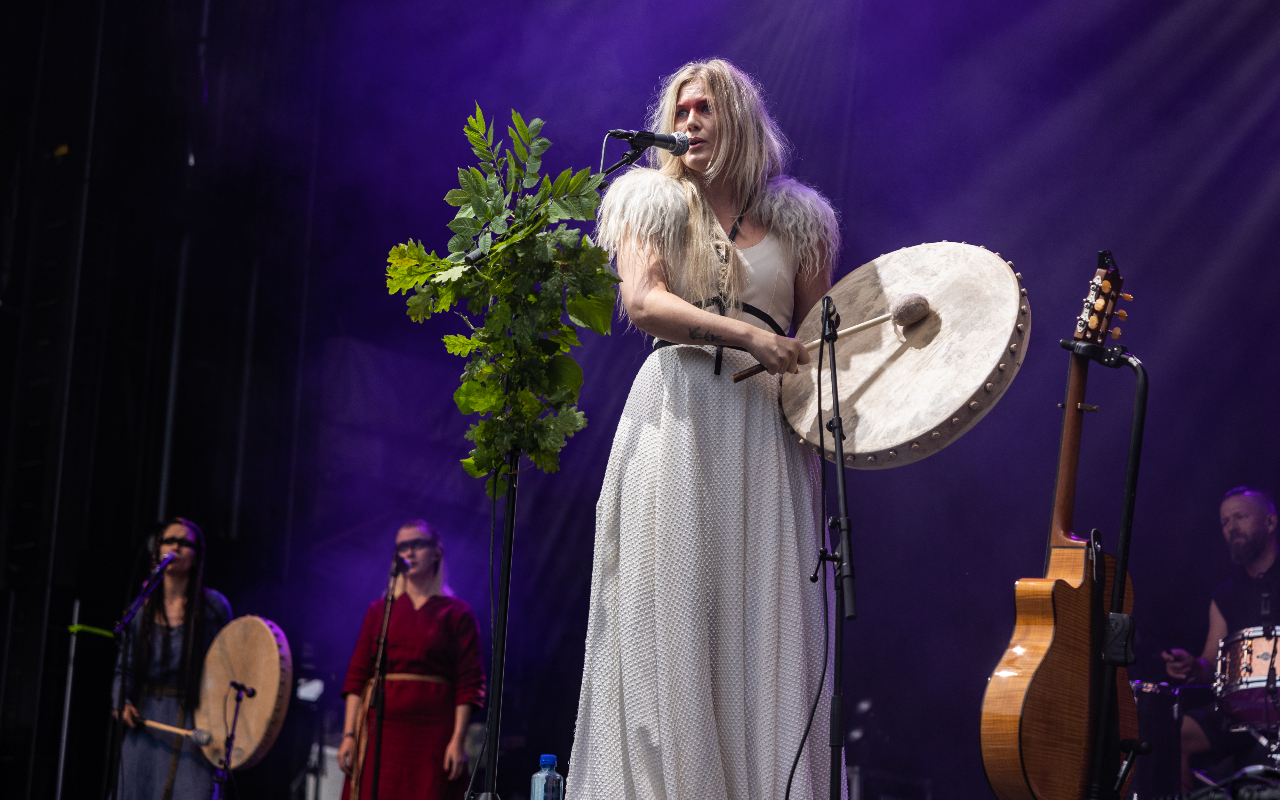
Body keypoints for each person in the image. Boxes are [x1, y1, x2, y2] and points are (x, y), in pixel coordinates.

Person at [569, 59, 841, 799]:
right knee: (672, 611)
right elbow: (646, 303)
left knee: (761, 620)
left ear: (740, 121)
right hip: (680, 408)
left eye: (704, 110)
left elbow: (824, 339)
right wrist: (749, 336)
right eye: (680, 110)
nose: (687, 122)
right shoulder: (650, 200)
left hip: (767, 432)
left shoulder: (801, 222)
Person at [339, 520, 485, 800]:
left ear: (436, 552)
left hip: (433, 732)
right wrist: (349, 736)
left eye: (417, 544)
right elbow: (357, 676)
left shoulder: (457, 613)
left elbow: (470, 681)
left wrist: (458, 739)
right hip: (380, 730)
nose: (409, 552)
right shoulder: (380, 611)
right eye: (402, 547)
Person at [1164, 486, 1280, 793]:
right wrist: (1192, 666)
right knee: (1172, 734)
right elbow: (1210, 664)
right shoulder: (1225, 596)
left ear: (1270, 523)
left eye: (1240, 517)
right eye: (1225, 522)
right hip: (1242, 708)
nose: (1231, 528)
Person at [113, 518, 232, 800]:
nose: (176, 547)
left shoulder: (213, 607)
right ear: (157, 551)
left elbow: (228, 667)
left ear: (197, 556)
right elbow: (123, 670)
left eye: (185, 542)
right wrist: (122, 702)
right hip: (145, 726)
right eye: (169, 541)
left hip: (195, 726)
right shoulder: (140, 609)